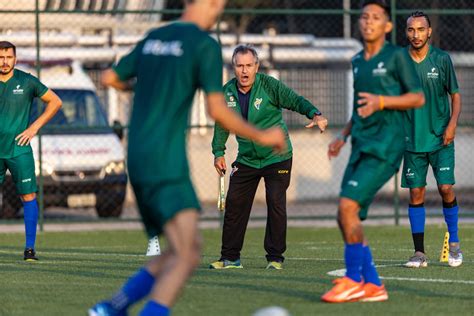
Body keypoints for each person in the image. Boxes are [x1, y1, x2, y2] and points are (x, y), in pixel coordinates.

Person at [88, 1, 286, 315]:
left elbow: (110, 77)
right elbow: (218, 110)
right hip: (166, 159)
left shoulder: (154, 38)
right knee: (187, 254)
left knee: (183, 248)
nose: (218, 12)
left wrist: (145, 90)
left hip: (137, 157)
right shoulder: (203, 45)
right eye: (217, 5)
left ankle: (111, 307)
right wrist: (263, 135)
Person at [323, 0, 425, 303]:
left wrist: (382, 102)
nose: (368, 21)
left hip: (386, 146)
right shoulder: (357, 60)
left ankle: (354, 279)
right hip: (360, 145)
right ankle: (374, 285)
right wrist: (342, 135)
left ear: (388, 26)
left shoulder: (396, 57)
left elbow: (417, 97)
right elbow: (359, 106)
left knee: (346, 208)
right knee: (346, 216)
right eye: (364, 17)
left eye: (376, 17)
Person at [209, 44, 328, 270]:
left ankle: (275, 257)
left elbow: (295, 100)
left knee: (275, 202)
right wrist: (218, 152)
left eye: (249, 66)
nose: (244, 71)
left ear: (257, 67)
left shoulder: (269, 86)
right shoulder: (226, 93)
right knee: (235, 204)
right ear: (233, 67)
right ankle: (230, 258)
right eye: (239, 66)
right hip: (246, 159)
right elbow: (222, 124)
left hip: (277, 157)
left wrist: (316, 114)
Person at [402, 11, 462, 268]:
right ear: (406, 32)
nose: (416, 34)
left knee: (446, 188)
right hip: (411, 140)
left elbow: (456, 96)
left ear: (429, 32)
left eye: (420, 29)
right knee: (416, 192)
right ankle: (419, 253)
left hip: (441, 139)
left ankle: (456, 246)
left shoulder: (442, 59)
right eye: (411, 30)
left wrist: (452, 124)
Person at [0, 41, 62, 261]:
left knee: (28, 195)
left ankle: (29, 249)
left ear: (15, 59)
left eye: (8, 57)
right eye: (1, 57)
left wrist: (34, 127)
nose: (5, 61)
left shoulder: (26, 81)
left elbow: (55, 102)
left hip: (19, 149)